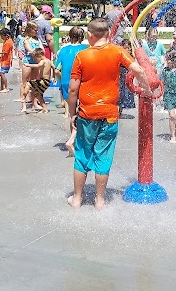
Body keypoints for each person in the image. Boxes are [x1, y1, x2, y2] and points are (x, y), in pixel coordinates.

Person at [67, 17, 148, 210]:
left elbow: (72, 90)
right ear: (108, 34)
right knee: (103, 157)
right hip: (110, 114)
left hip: (87, 114)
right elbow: (138, 69)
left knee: (82, 155)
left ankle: (77, 199)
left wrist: (72, 114)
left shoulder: (82, 56)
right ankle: (100, 200)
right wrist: (146, 90)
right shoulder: (118, 51)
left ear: (89, 35)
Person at [54, 27, 88, 156]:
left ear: (69, 36)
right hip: (81, 83)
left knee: (72, 114)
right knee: (83, 114)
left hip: (65, 84)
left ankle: (73, 143)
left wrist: (62, 80)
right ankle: (74, 140)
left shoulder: (63, 50)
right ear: (82, 37)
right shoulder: (85, 50)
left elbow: (57, 70)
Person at [27, 48, 54, 113]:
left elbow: (37, 65)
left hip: (43, 81)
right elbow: (54, 68)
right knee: (38, 94)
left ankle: (23, 97)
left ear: (40, 55)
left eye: (36, 59)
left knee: (29, 83)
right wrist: (54, 77)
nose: (36, 60)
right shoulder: (49, 61)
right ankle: (45, 109)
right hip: (47, 81)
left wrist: (28, 65)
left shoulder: (43, 61)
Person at [117, 39, 136, 119]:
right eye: (125, 48)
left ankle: (120, 112)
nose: (127, 50)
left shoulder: (131, 56)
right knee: (118, 94)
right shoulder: (120, 56)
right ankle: (116, 111)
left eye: (128, 48)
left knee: (124, 95)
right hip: (120, 78)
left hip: (127, 79)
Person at [0, 28, 13, 93]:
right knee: (1, 74)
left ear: (6, 35)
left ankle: (6, 87)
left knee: (2, 73)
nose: (1, 37)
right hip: (4, 60)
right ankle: (1, 87)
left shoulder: (8, 42)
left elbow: (5, 52)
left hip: (6, 61)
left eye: (2, 36)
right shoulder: (7, 41)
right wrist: (0, 58)